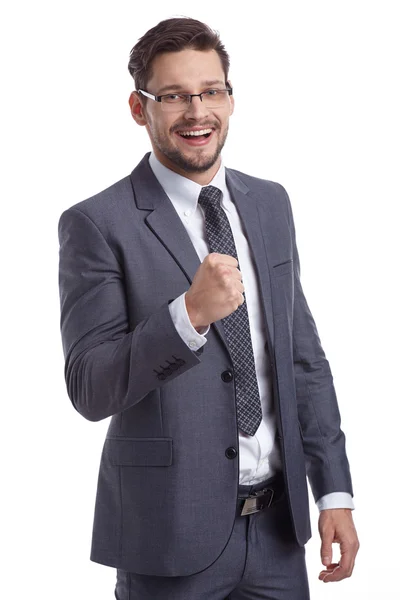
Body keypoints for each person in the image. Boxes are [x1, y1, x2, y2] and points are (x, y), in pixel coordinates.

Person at [58, 16, 359, 600]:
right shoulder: (97, 224)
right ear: (138, 107)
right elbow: (89, 389)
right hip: (169, 539)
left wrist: (334, 493)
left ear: (230, 97)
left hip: (278, 532)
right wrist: (188, 315)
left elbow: (303, 362)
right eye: (172, 96)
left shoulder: (270, 204)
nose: (196, 112)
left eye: (210, 91)